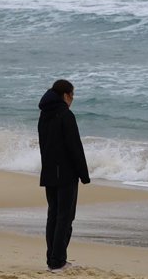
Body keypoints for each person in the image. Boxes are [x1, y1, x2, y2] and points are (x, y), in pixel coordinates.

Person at [37, 78, 90, 272]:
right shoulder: (66, 115)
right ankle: (58, 261)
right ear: (65, 95)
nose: (73, 99)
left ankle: (52, 259)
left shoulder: (44, 114)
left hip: (49, 171)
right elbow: (75, 147)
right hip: (66, 173)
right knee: (65, 218)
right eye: (72, 95)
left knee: (53, 216)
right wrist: (84, 175)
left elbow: (44, 144)